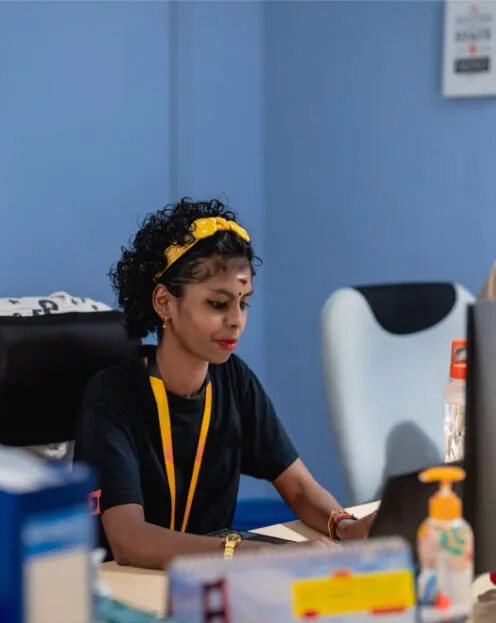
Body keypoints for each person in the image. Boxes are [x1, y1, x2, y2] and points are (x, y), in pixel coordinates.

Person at [74, 198, 376, 569]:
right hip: (123, 587)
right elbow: (129, 540)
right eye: (219, 304)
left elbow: (298, 486)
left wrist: (346, 527)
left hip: (211, 583)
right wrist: (261, 554)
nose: (237, 320)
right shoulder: (112, 395)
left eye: (243, 303)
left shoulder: (234, 379)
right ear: (165, 302)